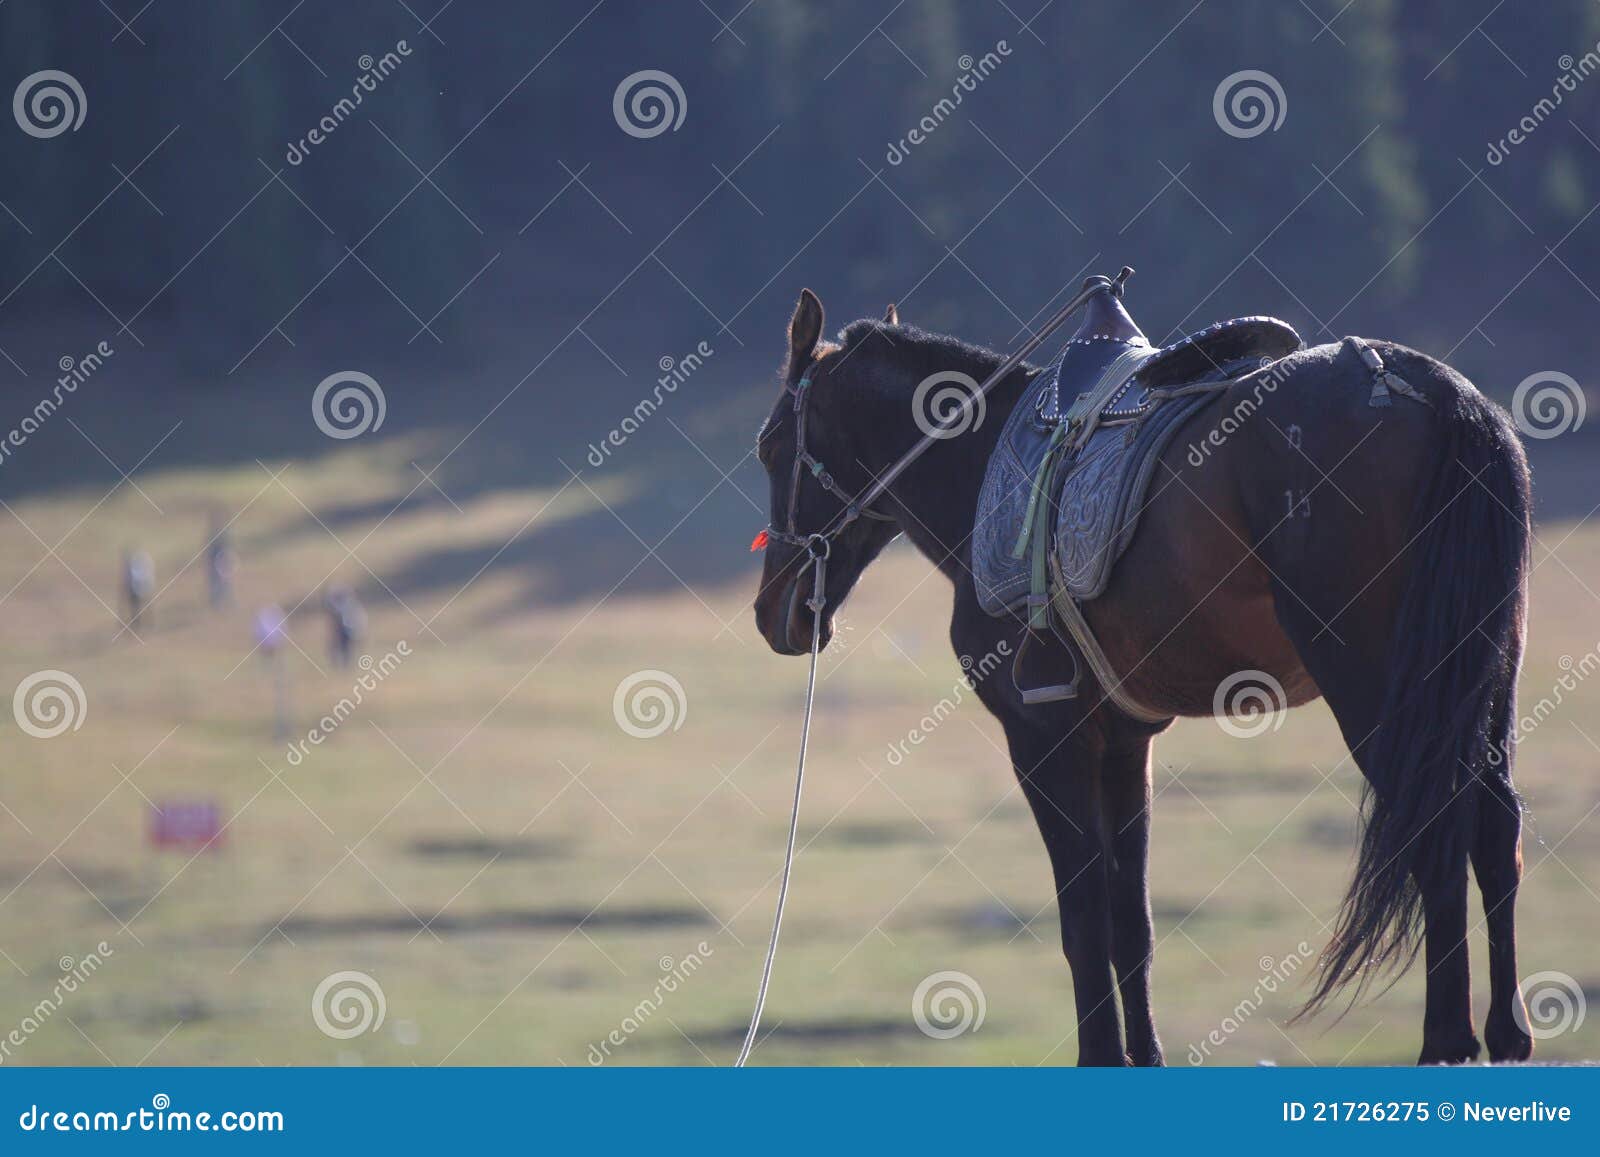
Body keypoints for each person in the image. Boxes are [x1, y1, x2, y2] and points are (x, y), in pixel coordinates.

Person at [323, 585, 366, 667]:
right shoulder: (341, 605)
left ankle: (345, 664)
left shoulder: (349, 605)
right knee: (338, 648)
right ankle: (339, 664)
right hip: (340, 631)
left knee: (345, 649)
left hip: (346, 631)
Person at [205, 516, 236, 609]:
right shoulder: (216, 536)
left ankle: (225, 602)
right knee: (217, 584)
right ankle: (217, 603)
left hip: (221, 563)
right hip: (216, 563)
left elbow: (225, 549)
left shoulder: (222, 535)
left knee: (224, 584)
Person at [122, 547, 155, 632]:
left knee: (143, 606)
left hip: (139, 588)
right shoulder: (134, 564)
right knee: (136, 607)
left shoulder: (137, 564)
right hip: (136, 589)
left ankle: (146, 622)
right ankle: (137, 623)